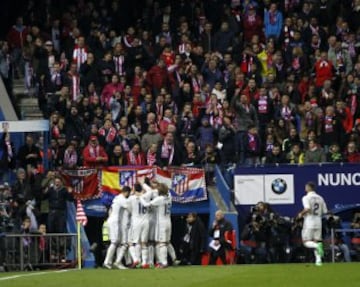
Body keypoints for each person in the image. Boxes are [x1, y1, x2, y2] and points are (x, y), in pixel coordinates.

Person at [298, 181, 328, 266]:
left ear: (308, 188)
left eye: (306, 187)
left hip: (309, 220)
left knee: (306, 242)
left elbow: (307, 208)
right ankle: (318, 261)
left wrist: (300, 214)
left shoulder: (306, 197)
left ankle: (316, 247)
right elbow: (325, 211)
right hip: (318, 221)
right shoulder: (320, 198)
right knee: (317, 241)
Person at [103, 186, 131, 269]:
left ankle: (116, 262)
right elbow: (129, 208)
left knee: (118, 243)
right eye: (128, 194)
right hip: (114, 222)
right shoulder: (121, 199)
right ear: (126, 192)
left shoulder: (117, 198)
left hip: (113, 221)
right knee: (114, 242)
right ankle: (107, 262)